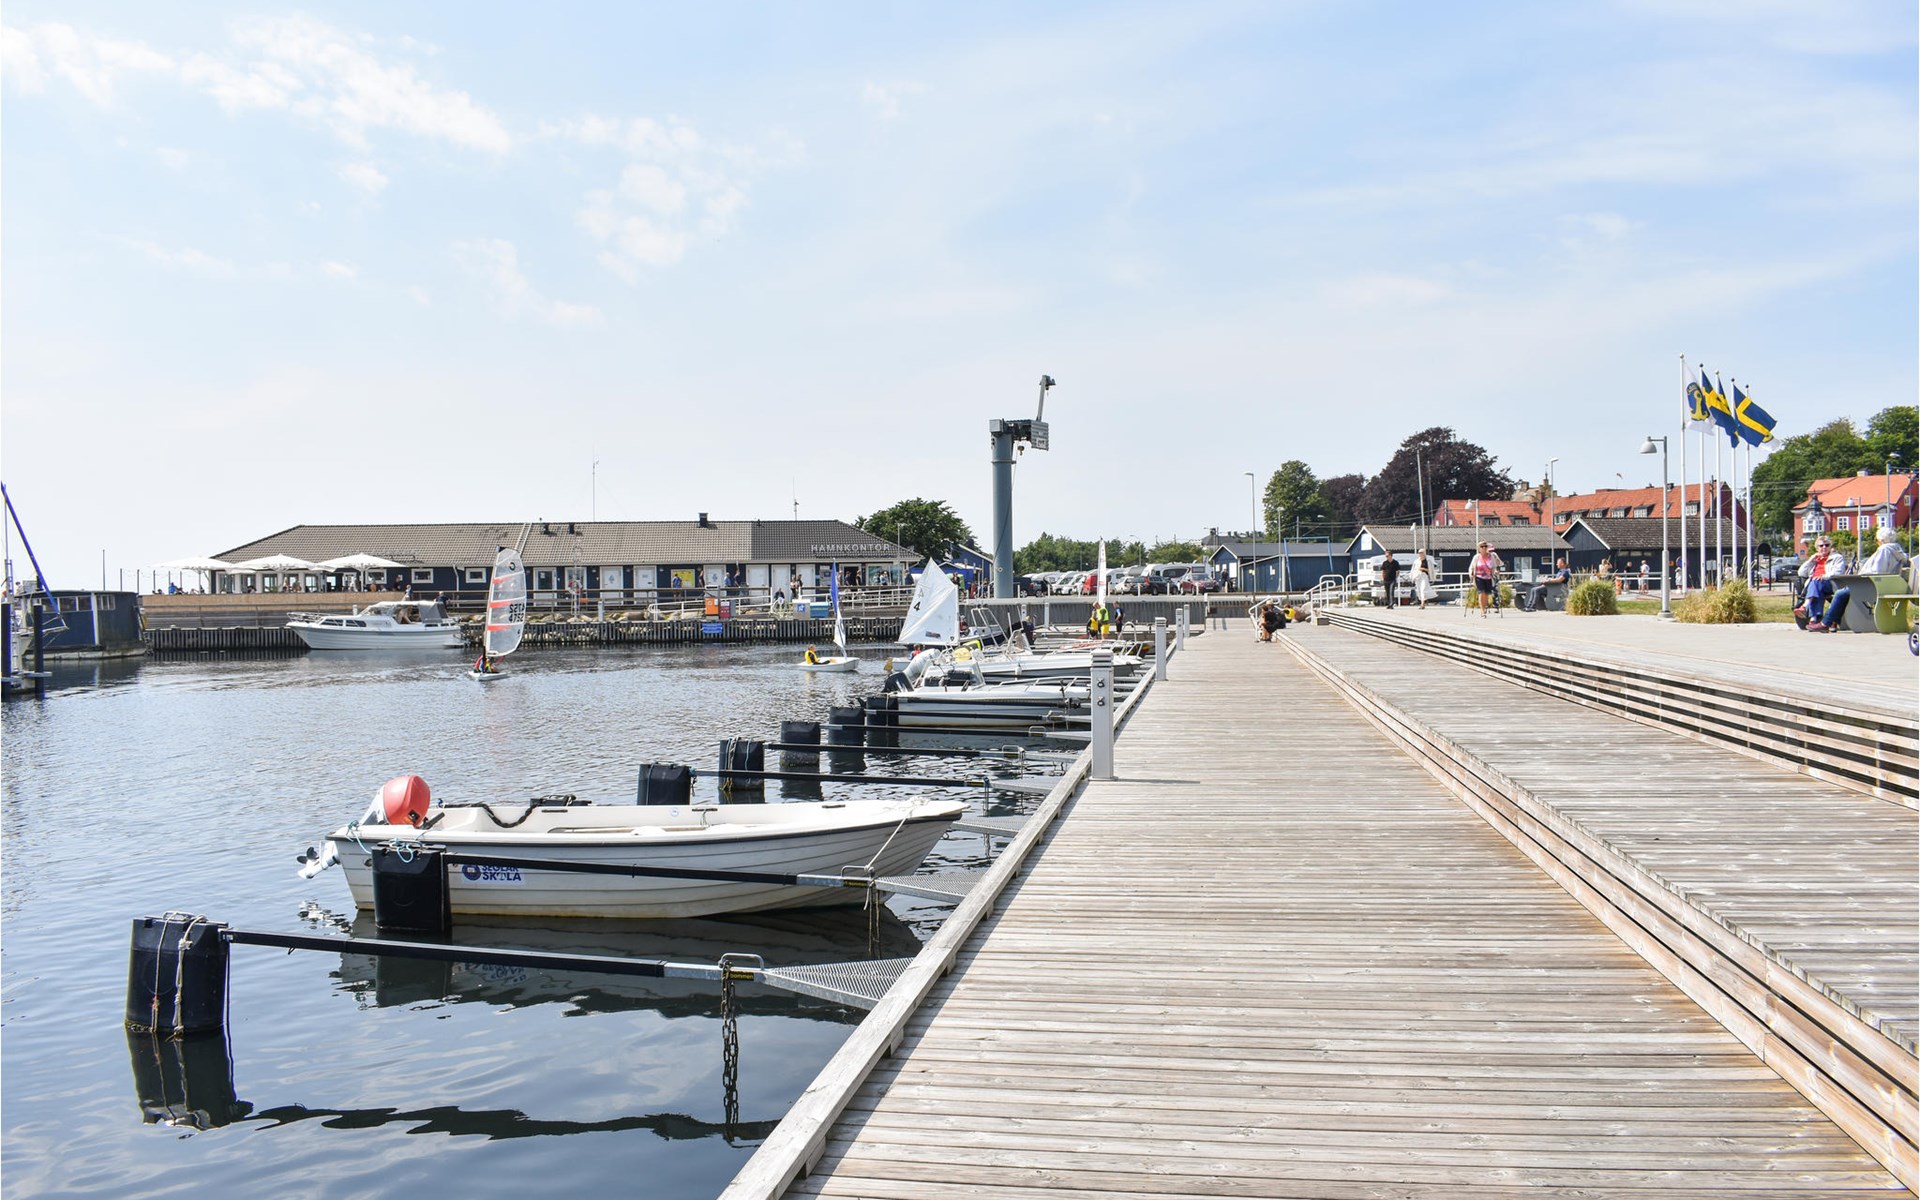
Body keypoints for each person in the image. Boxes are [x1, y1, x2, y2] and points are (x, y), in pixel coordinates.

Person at [1796, 538, 1849, 631]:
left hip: (1831, 583)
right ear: (1817, 548)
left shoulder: (1837, 557)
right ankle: (1822, 621)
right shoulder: (1815, 559)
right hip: (1816, 586)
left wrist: (1823, 576)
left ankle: (1810, 614)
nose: (1824, 547)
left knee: (1816, 583)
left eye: (1827, 545)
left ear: (1830, 547)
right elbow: (1801, 573)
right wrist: (1810, 560)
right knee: (1816, 585)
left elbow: (1838, 572)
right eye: (1821, 546)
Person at [1470, 541, 1502, 617]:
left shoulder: (1492, 556)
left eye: (1485, 546)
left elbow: (1498, 564)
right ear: (1479, 549)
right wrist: (1471, 573)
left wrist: (1496, 570)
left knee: (1486, 594)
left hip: (1489, 578)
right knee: (1482, 593)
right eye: (1482, 546)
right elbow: (1472, 566)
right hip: (1479, 577)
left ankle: (1484, 608)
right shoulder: (1476, 557)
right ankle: (1482, 611)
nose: (1484, 548)